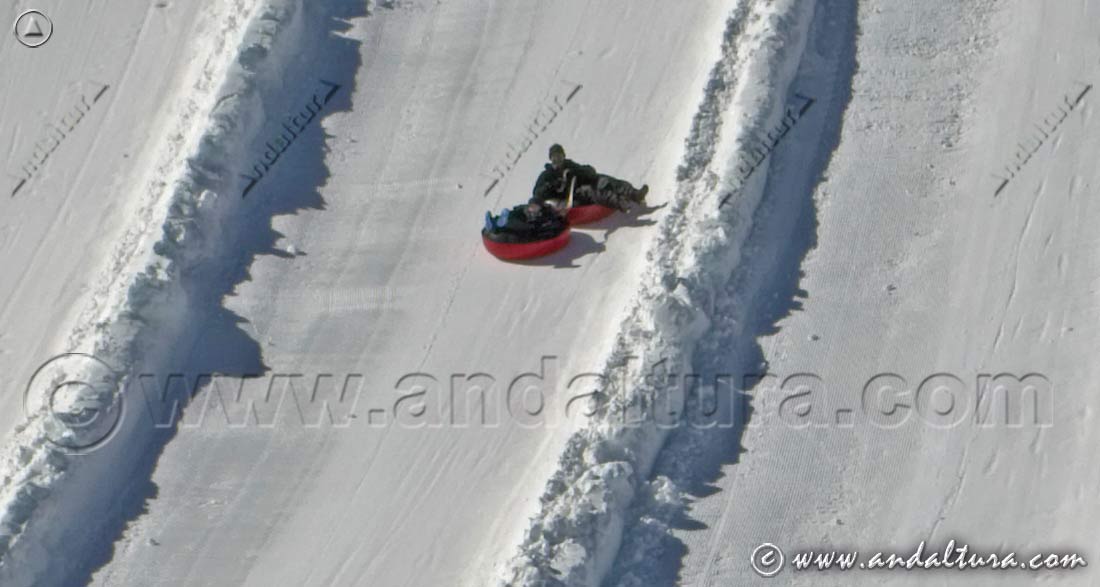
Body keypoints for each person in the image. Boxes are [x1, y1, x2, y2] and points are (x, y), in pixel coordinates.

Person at [530, 144, 648, 212]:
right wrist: (552, 185)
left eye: (559, 156)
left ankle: (634, 194)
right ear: (551, 160)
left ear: (563, 156)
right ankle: (620, 203)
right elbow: (537, 192)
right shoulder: (546, 175)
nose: (557, 160)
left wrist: (576, 172)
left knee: (603, 179)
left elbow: (589, 171)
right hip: (570, 201)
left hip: (581, 188)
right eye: (554, 158)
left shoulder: (570, 165)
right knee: (590, 190)